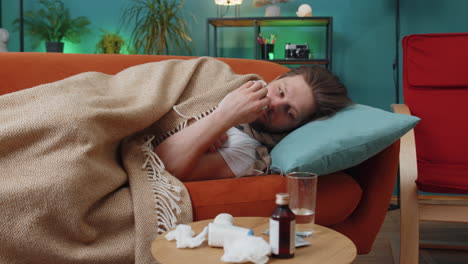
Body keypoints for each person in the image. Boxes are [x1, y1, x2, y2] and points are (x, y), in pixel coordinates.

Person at [155, 65, 351, 181]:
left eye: (289, 112)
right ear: (275, 79)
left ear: (295, 128)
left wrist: (223, 117)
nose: (275, 104)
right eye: (281, 91)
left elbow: (160, 165)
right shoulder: (230, 84)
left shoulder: (246, 152)